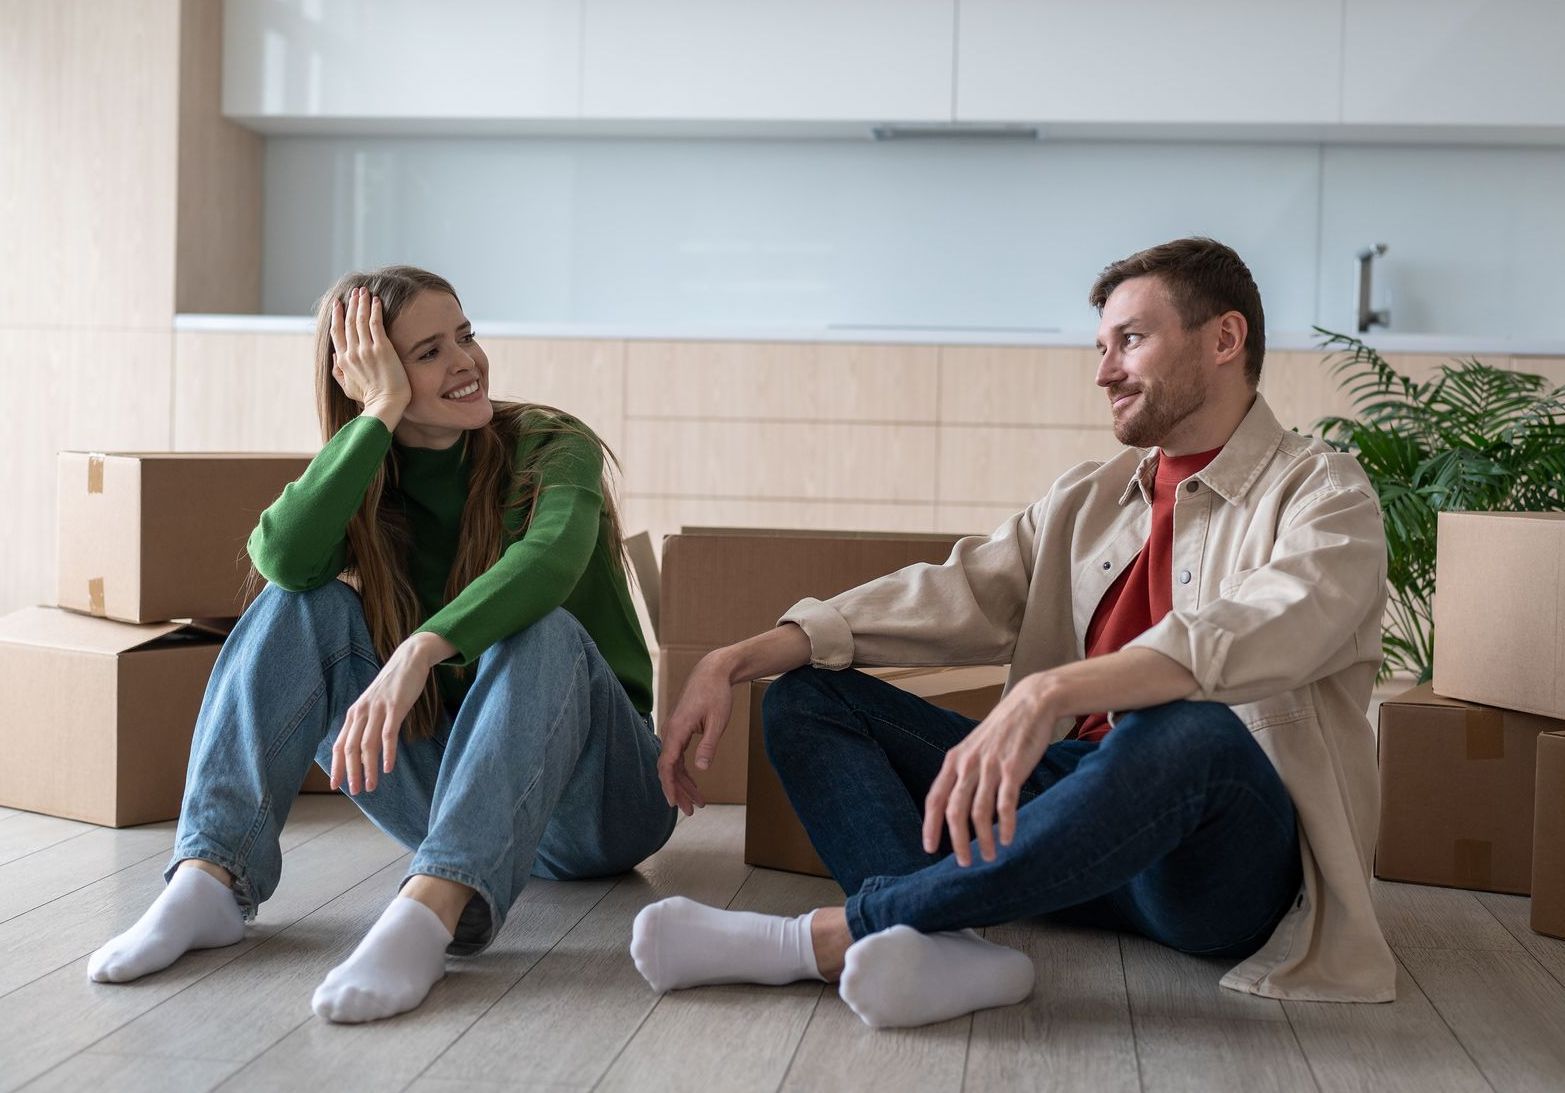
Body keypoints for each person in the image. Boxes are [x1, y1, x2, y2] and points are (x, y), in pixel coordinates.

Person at [632, 237, 1394, 1027]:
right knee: (808, 697)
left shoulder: (1323, 493)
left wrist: (1051, 687)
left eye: (1129, 340)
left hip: (1210, 860)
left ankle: (833, 936)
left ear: (1224, 339)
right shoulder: (1087, 498)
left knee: (1182, 732)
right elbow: (956, 591)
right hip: (1067, 827)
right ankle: (940, 950)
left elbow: (1263, 624)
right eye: (1101, 347)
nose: (1103, 372)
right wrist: (734, 658)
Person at [87, 266, 675, 1024]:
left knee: (543, 627)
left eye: (464, 335)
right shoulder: (371, 469)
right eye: (428, 352)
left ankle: (429, 911)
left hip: (602, 802)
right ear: (373, 373)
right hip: (463, 793)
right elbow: (285, 558)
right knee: (301, 602)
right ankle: (208, 880)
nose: (465, 360)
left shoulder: (550, 443)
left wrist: (422, 647)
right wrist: (378, 416)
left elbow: (550, 561)